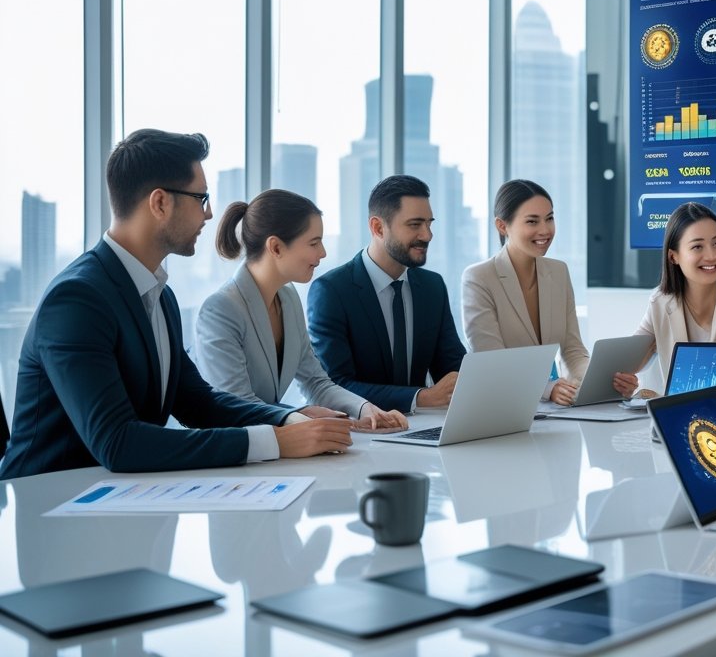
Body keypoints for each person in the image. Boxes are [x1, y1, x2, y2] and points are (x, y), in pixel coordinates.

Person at [0, 129, 353, 480]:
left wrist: (291, 419)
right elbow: (118, 443)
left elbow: (199, 401)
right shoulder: (77, 299)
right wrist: (274, 442)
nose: (210, 213)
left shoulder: (160, 295)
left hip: (123, 502)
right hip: (48, 508)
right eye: (201, 198)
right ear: (160, 203)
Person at [194, 189, 409, 432]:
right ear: (275, 247)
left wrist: (366, 409)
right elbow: (237, 405)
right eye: (314, 243)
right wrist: (299, 414)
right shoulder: (220, 309)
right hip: (235, 453)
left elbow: (315, 382)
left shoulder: (288, 298)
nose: (323, 253)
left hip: (276, 448)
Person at [307, 175, 465, 412]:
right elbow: (335, 385)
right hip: (362, 432)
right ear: (378, 227)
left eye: (429, 224)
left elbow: (453, 368)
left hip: (425, 427)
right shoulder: (332, 291)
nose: (427, 235)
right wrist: (420, 397)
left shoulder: (432, 286)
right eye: (415, 225)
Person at [618, 202, 716, 396]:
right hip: (678, 420)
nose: (712, 255)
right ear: (673, 256)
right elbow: (626, 361)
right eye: (697, 246)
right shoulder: (661, 302)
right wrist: (622, 381)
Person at [462, 180, 592, 405]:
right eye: (532, 221)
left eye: (549, 218)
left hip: (548, 413)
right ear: (502, 226)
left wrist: (599, 379)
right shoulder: (479, 278)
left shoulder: (558, 272)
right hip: (499, 407)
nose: (545, 230)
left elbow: (573, 350)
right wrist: (548, 388)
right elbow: (493, 362)